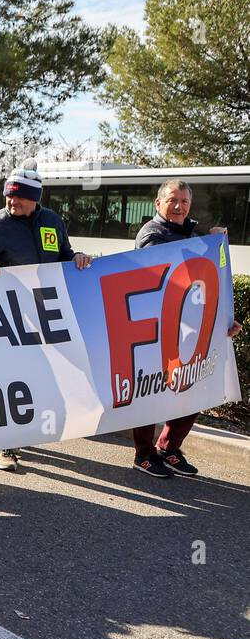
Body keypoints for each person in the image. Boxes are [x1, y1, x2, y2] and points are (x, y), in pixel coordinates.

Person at [0, 159, 91, 471]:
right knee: (5, 383)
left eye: (19, 197)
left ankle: (11, 437)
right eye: (10, 195)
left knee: (32, 382)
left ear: (36, 199)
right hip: (5, 319)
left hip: (42, 318)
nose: (12, 201)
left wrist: (75, 257)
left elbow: (63, 254)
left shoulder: (52, 221)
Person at [129, 179, 243, 478]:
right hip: (157, 328)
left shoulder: (191, 234)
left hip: (189, 328)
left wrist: (223, 320)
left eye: (184, 201)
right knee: (151, 390)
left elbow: (210, 281)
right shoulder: (151, 234)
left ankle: (169, 447)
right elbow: (164, 273)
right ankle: (144, 453)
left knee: (195, 387)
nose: (178, 206)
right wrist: (206, 242)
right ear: (158, 203)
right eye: (172, 200)